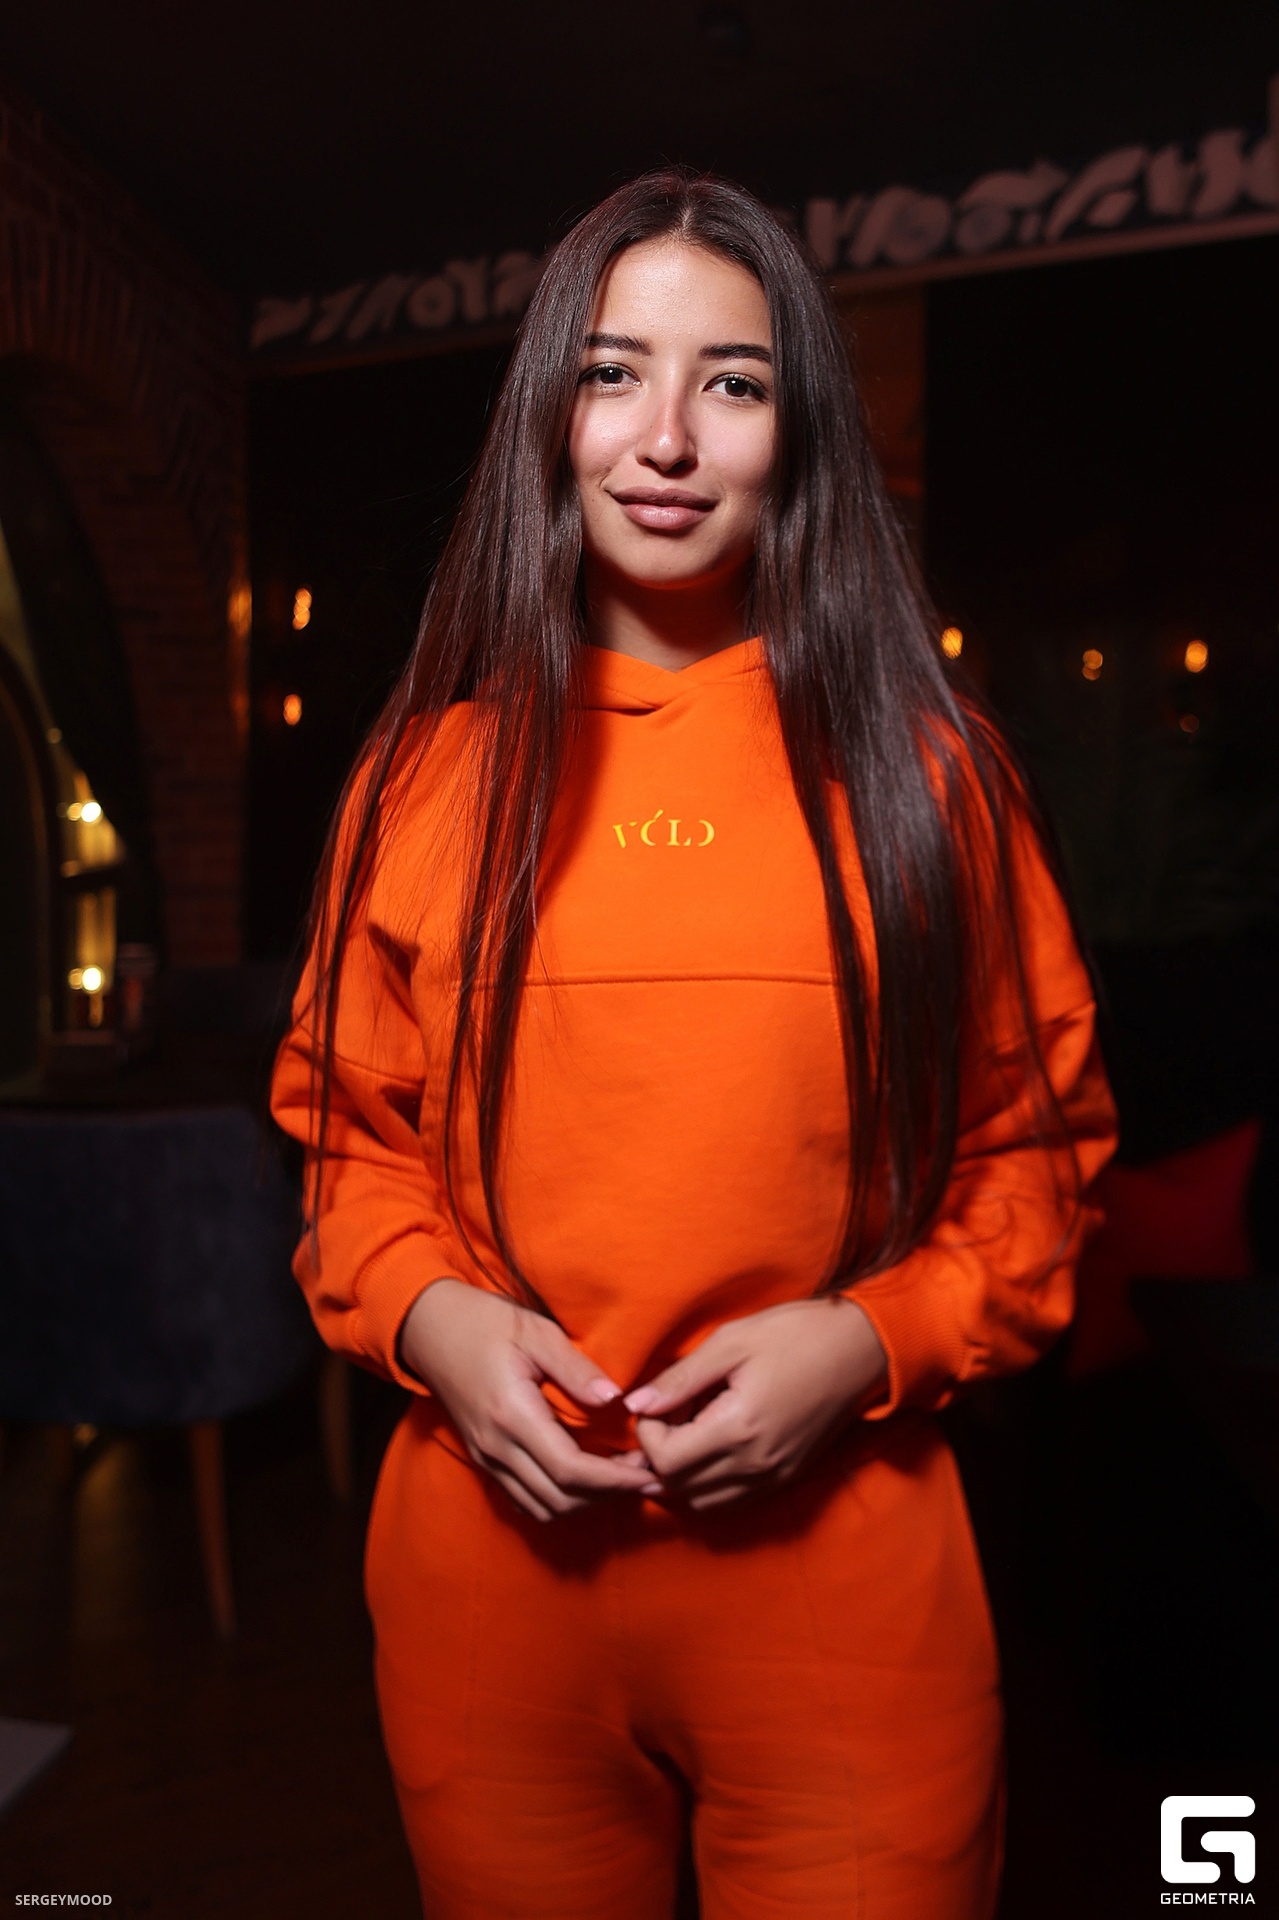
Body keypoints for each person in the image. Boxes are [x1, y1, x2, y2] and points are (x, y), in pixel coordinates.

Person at [271, 169, 1116, 1920]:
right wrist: (433, 1321)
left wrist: (870, 1341)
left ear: (798, 435)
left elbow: (1035, 1166)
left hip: (845, 1594)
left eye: (732, 381)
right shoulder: (423, 779)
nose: (666, 437)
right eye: (612, 373)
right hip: (487, 1587)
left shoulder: (931, 781)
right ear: (548, 417)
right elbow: (351, 1149)